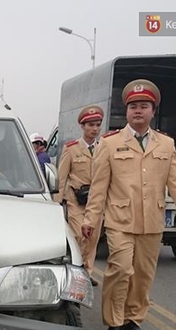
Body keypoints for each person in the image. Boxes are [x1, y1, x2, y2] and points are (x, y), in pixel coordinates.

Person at [82, 79, 176, 330]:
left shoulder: (166, 145)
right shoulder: (109, 144)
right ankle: (114, 322)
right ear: (126, 111)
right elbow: (99, 187)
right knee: (120, 270)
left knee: (143, 274)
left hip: (152, 222)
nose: (138, 110)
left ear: (152, 111)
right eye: (133, 106)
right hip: (120, 221)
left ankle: (132, 319)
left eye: (144, 106)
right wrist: (91, 219)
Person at [55, 105, 104, 286]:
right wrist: (57, 203)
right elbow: (61, 178)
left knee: (93, 238)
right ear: (82, 126)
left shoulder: (104, 148)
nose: (95, 129)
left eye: (98, 125)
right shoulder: (71, 149)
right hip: (76, 200)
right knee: (79, 235)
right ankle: (77, 270)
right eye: (90, 125)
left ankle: (86, 272)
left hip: (96, 201)